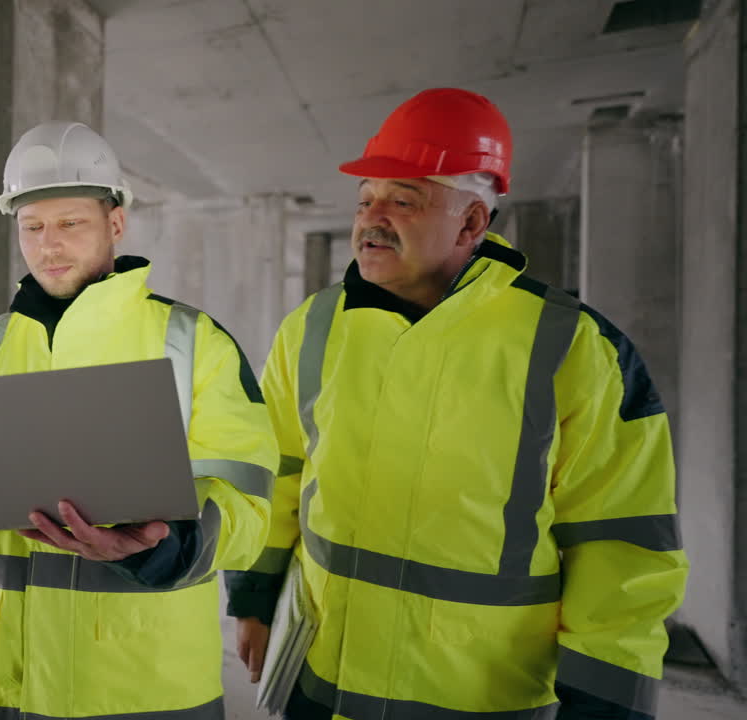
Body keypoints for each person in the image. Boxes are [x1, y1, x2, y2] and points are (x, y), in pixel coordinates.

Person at [226, 88, 689, 719]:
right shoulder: (312, 327)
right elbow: (274, 471)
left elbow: (620, 544)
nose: (372, 218)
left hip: (479, 701)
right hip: (321, 688)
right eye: (366, 200)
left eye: (403, 201)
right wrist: (254, 596)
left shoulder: (576, 349)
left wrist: (606, 706)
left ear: (472, 223)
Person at [0, 121, 277, 719]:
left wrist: (162, 547)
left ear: (115, 223)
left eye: (70, 224)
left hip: (143, 690)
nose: (49, 245)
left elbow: (248, 507)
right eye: (32, 227)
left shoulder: (194, 343)